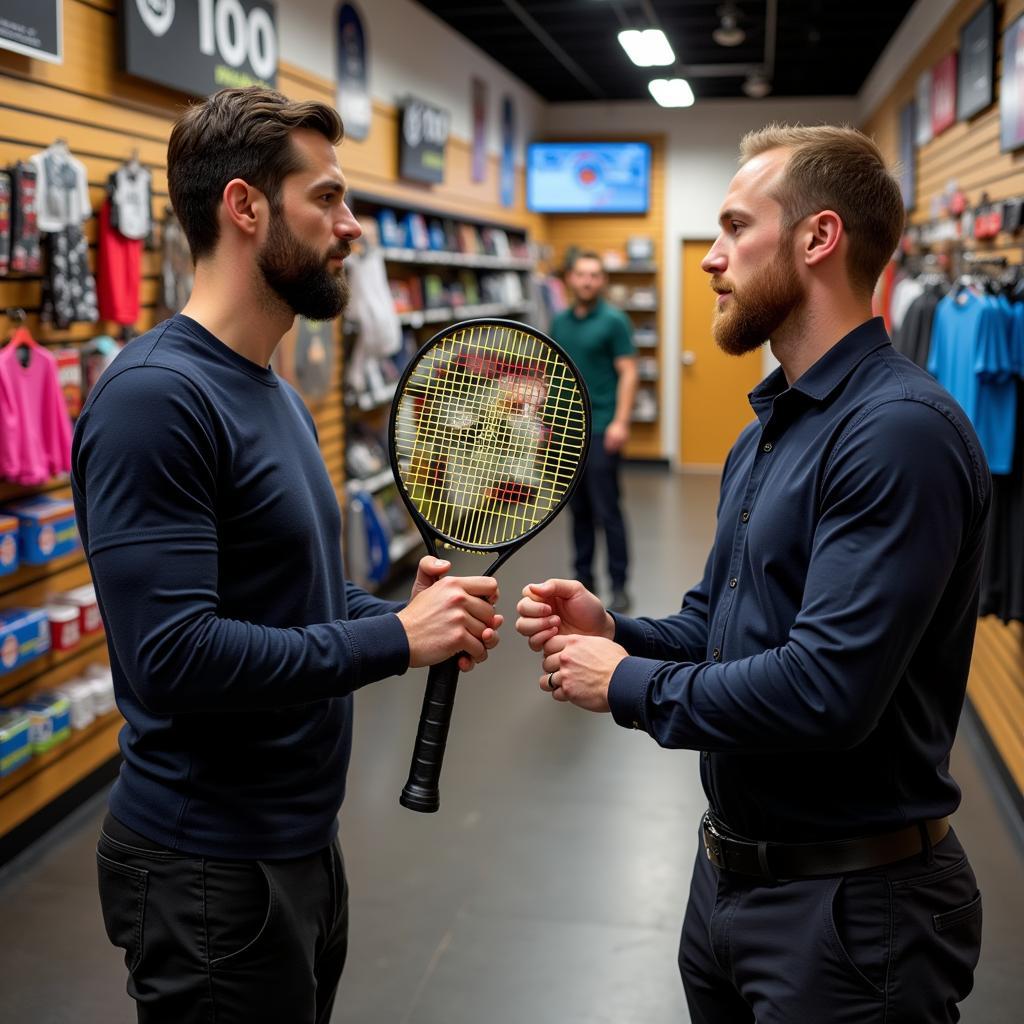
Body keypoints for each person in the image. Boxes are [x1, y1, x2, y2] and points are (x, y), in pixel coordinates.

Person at [516, 124, 988, 1022]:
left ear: (817, 238)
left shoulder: (898, 434)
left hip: (854, 916)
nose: (712, 259)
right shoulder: (768, 428)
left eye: (735, 228)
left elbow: (825, 692)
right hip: (730, 880)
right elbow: (717, 627)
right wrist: (618, 633)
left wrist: (627, 683)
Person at [72, 87, 502, 1024]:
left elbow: (285, 594)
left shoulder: (269, 391)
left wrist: (393, 615)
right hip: (207, 868)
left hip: (297, 845)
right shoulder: (156, 398)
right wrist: (396, 644)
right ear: (245, 206)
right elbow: (175, 657)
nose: (351, 228)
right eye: (330, 199)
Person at [550, 251, 637, 612]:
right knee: (578, 513)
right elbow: (554, 371)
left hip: (601, 427)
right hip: (566, 432)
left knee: (608, 511)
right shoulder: (559, 322)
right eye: (582, 274)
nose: (588, 280)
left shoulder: (614, 321)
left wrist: (621, 421)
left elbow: (629, 372)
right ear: (570, 279)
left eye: (595, 274)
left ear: (602, 281)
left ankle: (619, 585)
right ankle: (582, 582)